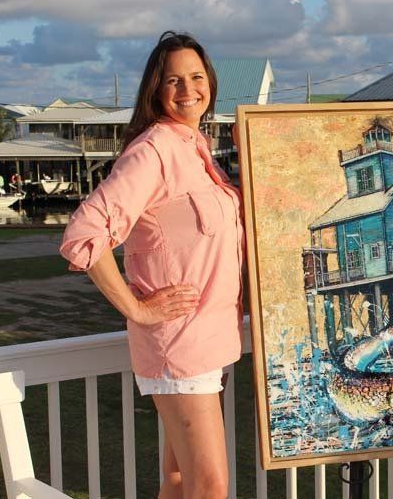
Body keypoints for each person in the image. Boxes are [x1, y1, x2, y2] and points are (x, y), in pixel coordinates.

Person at [60, 31, 244, 499]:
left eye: (197, 77)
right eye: (173, 80)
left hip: (210, 338)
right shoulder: (154, 150)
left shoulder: (197, 150)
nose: (188, 90)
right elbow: (85, 234)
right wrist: (138, 310)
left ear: (211, 82)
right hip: (180, 345)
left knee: (181, 481)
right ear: (155, 90)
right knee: (210, 486)